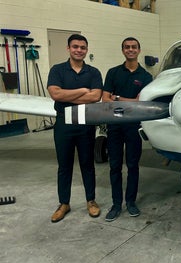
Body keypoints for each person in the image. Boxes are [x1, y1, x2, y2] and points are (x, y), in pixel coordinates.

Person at [47, 34, 103, 223]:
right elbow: (55, 94)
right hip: (64, 124)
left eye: (82, 47)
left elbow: (95, 97)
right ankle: (64, 203)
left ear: (86, 50)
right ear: (68, 48)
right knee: (64, 166)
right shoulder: (57, 70)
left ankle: (91, 201)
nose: (79, 50)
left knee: (87, 164)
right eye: (75, 46)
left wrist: (66, 95)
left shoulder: (93, 72)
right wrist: (81, 91)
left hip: (85, 123)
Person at [102, 37, 153, 222]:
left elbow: (143, 103)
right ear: (122, 50)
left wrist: (117, 98)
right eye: (127, 47)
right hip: (114, 125)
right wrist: (129, 101)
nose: (130, 50)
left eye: (134, 47)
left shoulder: (146, 77)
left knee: (133, 166)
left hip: (134, 127)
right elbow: (104, 99)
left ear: (139, 50)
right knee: (114, 166)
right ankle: (116, 205)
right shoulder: (113, 73)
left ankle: (131, 202)